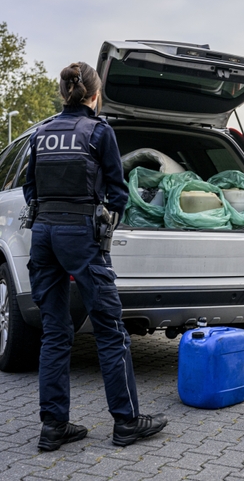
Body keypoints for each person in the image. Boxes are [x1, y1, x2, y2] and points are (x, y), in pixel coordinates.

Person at [23, 62, 168, 451]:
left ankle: (53, 426)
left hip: (43, 235)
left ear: (63, 94)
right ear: (95, 95)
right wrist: (104, 220)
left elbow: (29, 189)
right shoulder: (99, 131)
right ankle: (126, 422)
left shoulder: (41, 132)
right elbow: (119, 192)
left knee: (54, 331)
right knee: (109, 329)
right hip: (80, 236)